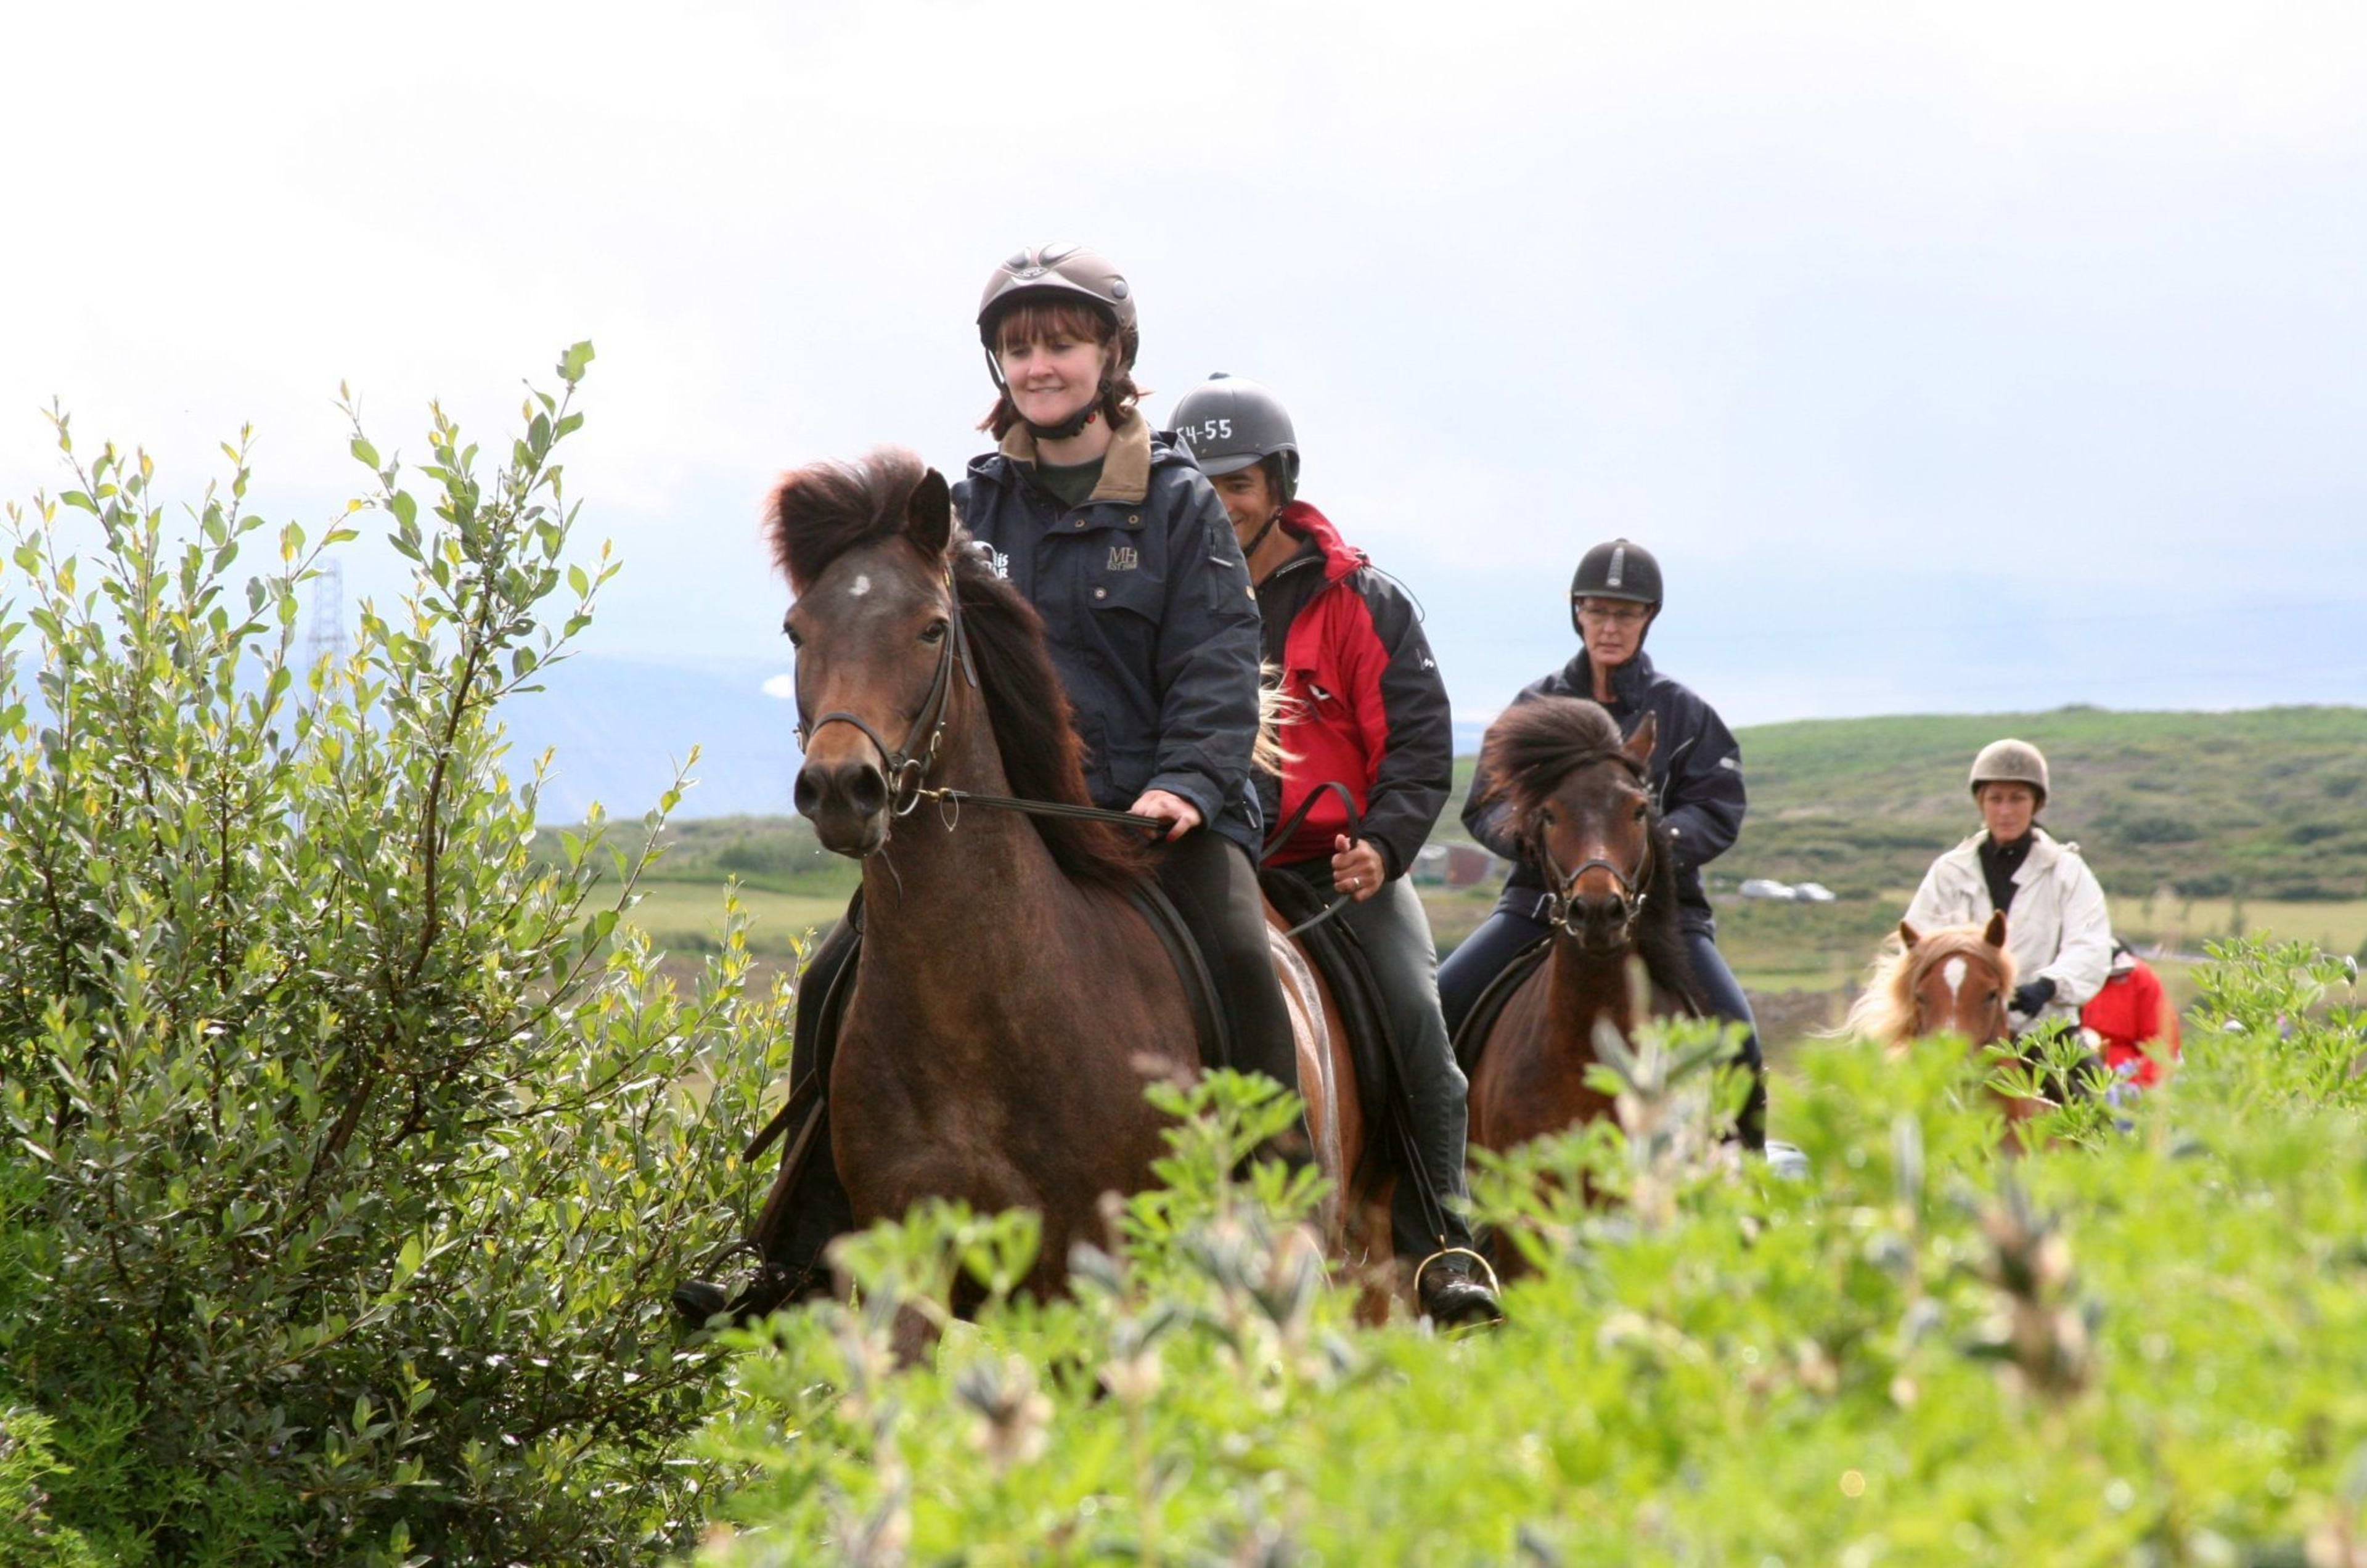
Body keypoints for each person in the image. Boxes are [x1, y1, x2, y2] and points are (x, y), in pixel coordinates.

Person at [674, 245, 1296, 1326]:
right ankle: (798, 1245)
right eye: (1019, 345)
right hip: (1006, 813)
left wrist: (1189, 782)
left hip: (1154, 813)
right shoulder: (961, 511)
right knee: (835, 975)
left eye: (1062, 341)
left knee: (1241, 949)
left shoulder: (1182, 505)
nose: (1039, 362)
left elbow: (1216, 659)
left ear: (1113, 357)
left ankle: (1277, 1205)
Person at [1169, 372, 1499, 1326]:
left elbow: (1418, 748)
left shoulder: (1365, 600)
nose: (1224, 503)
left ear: (1278, 484)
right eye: (1204, 484)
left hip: (1330, 872)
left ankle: (1443, 1245)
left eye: (1239, 483)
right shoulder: (1170, 598)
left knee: (1418, 1027)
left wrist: (1385, 849)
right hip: (1199, 857)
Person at [1436, 539, 1765, 1145]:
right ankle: (1424, 1190)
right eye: (1598, 611)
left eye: (1627, 613)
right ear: (1577, 613)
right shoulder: (1536, 707)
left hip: (1665, 916)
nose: (1610, 626)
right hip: (1538, 905)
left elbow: (1718, 808)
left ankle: (1748, 1185)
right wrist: (1544, 839)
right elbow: (1485, 803)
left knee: (1739, 1036)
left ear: (1648, 618)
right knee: (1437, 1013)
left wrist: (1644, 845)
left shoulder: (1686, 714)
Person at [1902, 739, 2112, 1031]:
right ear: (1981, 802)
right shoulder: (1949, 872)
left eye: (2018, 799)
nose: (2005, 811)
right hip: (1959, 1034)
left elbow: (2091, 944)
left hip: (2044, 1031)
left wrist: (2049, 986)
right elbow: (1918, 948)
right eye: (1995, 799)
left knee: (2087, 1076)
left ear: (2036, 804)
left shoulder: (2068, 871)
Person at [2080, 940, 2180, 1087]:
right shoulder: (2053, 976)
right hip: (2066, 1079)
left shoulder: (2137, 977)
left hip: (2126, 1083)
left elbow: (2162, 1042)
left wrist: (2140, 1087)